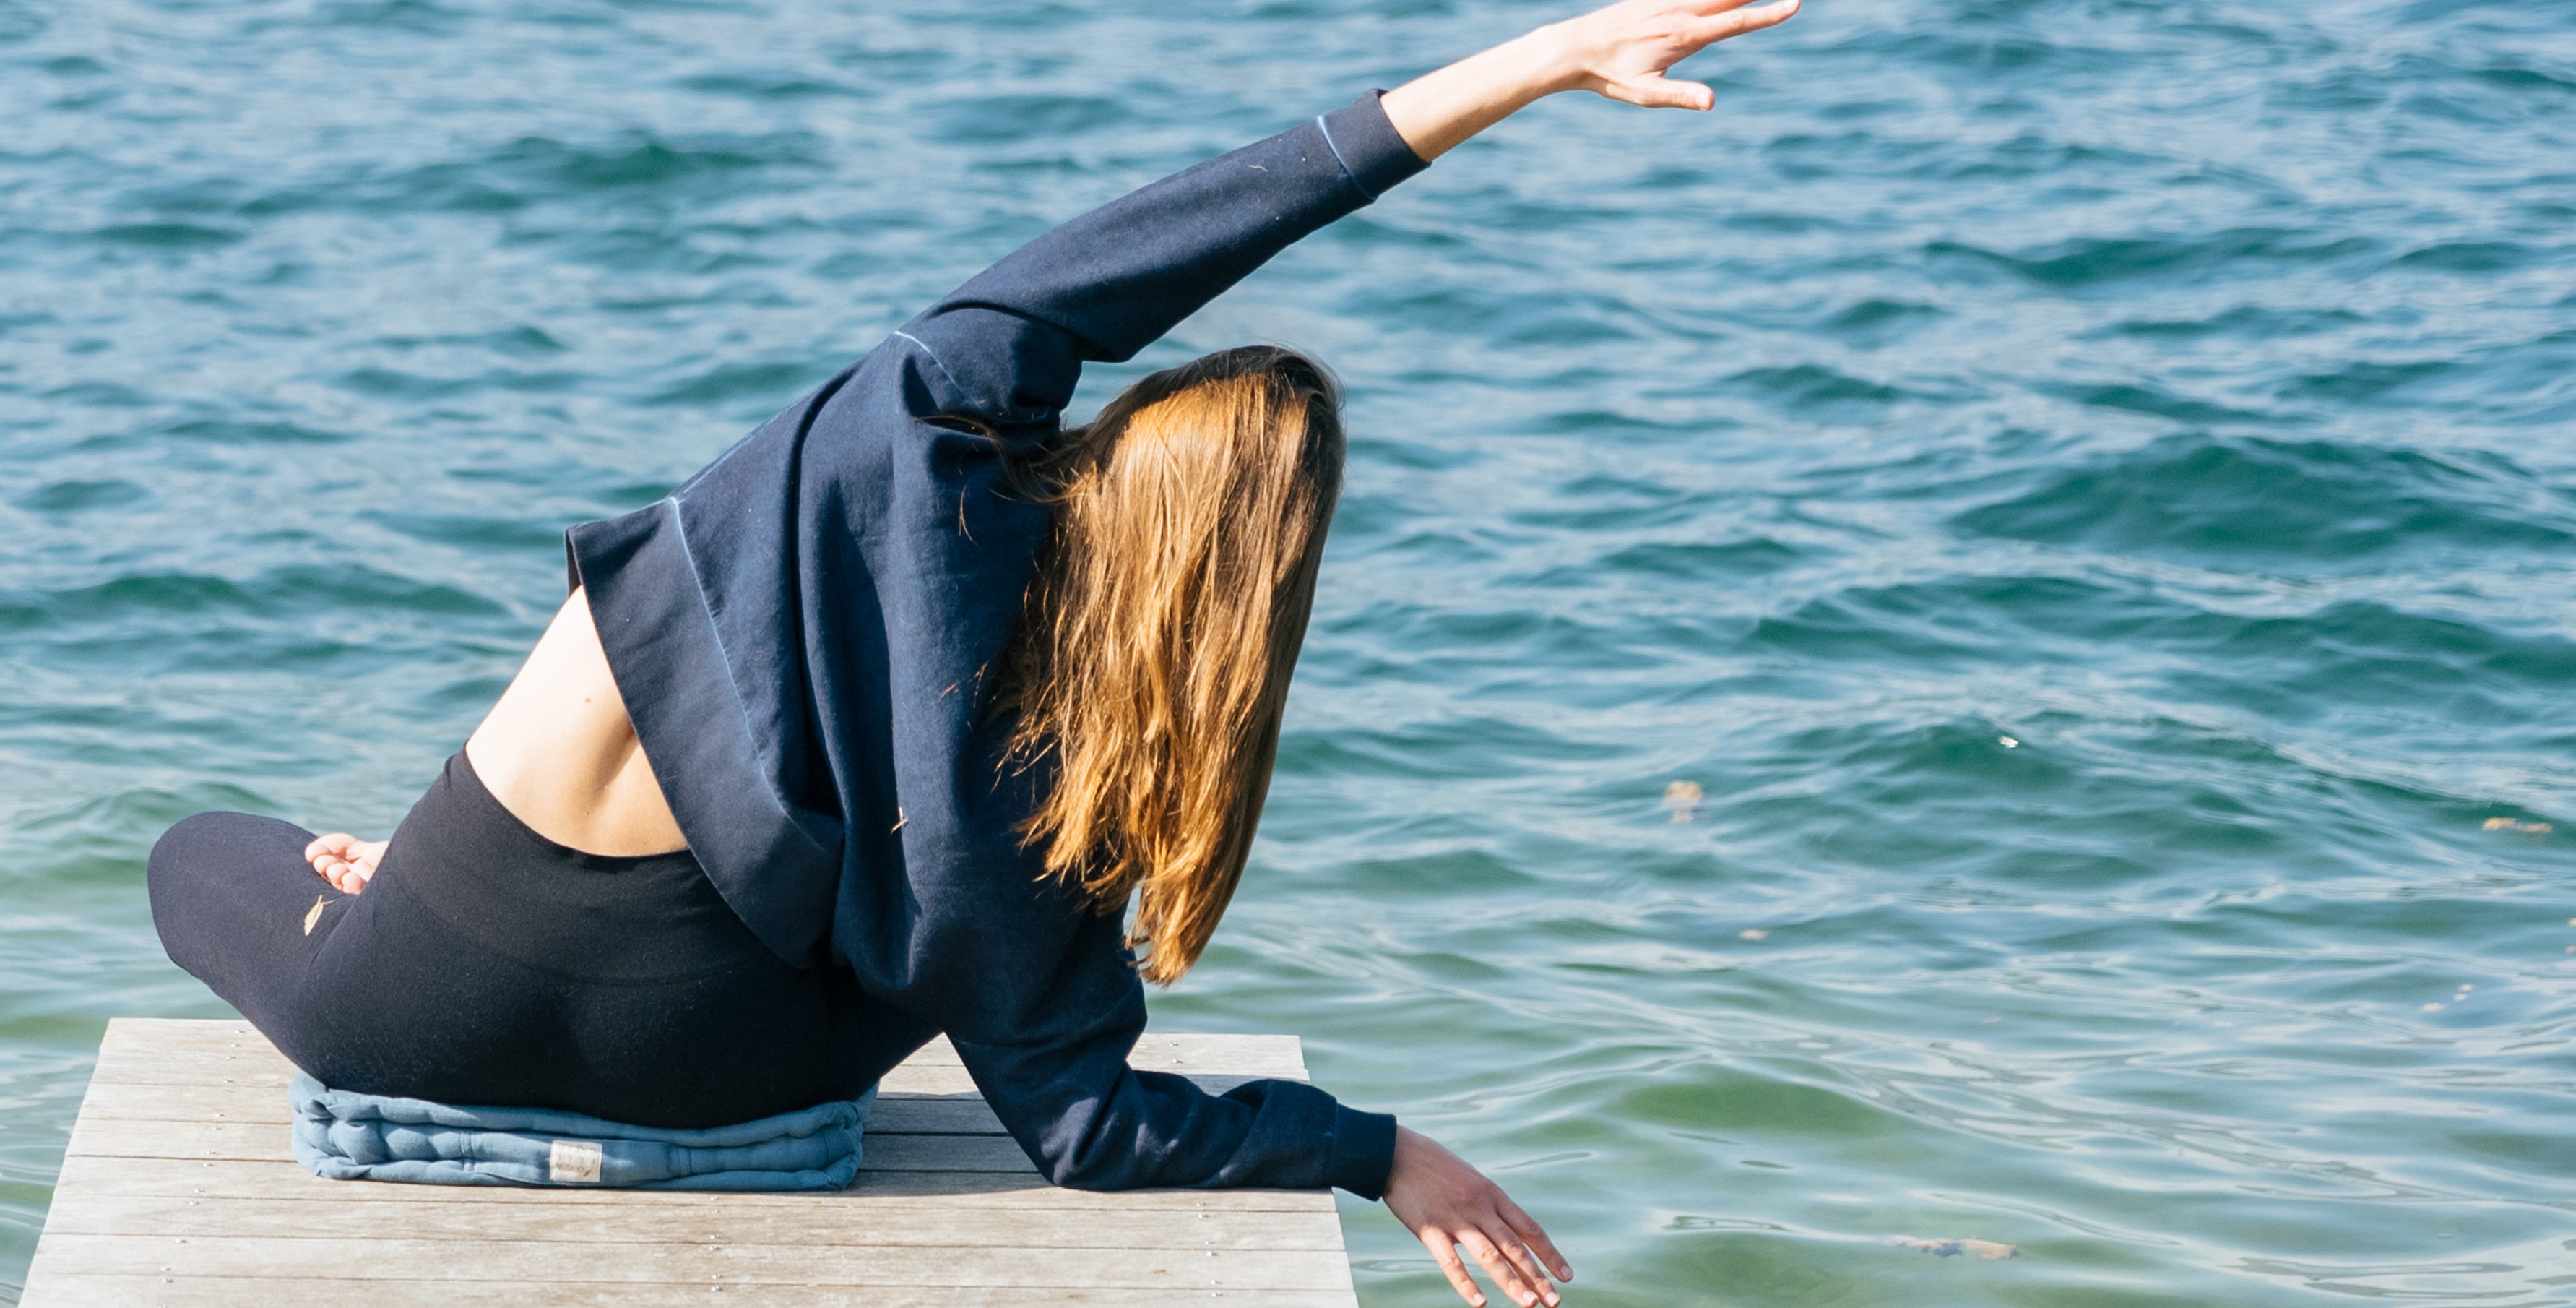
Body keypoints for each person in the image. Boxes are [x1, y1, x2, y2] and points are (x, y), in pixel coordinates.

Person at [147, 3, 1798, 1304]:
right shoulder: (1059, 773)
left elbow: (1173, 230)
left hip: (409, 1007)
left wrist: (1533, 61)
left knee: (199, 851)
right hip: (727, 1081)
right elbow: (1084, 1122)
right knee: (922, 927)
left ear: (1124, 429)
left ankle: (394, 876)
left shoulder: (915, 418)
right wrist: (1375, 1150)